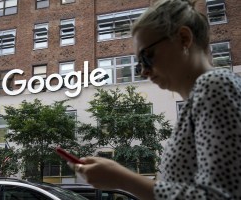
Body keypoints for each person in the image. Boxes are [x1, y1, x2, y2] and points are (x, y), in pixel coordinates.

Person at [71, 0, 241, 199]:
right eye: (138, 64)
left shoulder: (214, 85)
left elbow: (222, 196)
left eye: (147, 56)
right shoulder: (205, 95)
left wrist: (122, 179)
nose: (143, 71)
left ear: (183, 38)